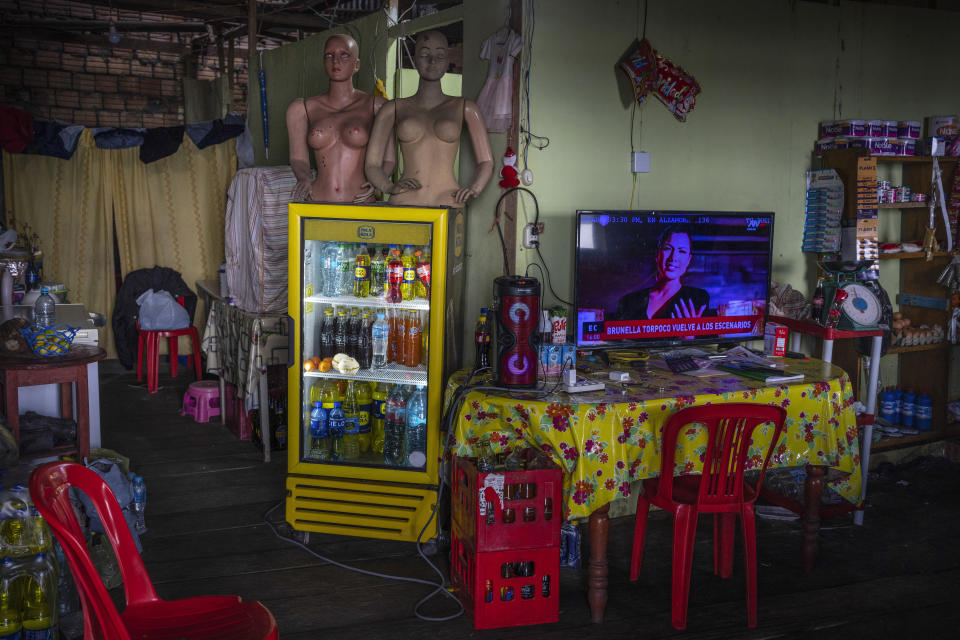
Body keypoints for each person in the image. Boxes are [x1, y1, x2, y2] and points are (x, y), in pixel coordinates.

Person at [365, 30, 494, 208]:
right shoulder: (392, 108)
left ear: (448, 60)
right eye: (425, 54)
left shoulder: (465, 107)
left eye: (440, 56)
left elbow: (486, 161)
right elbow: (372, 164)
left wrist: (475, 188)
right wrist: (388, 187)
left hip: (448, 200)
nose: (432, 61)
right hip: (405, 201)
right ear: (415, 58)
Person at [286, 34, 390, 203]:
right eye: (329, 55)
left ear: (357, 64)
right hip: (317, 200)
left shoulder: (377, 106)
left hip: (360, 201)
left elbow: (389, 158)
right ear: (323, 62)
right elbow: (298, 158)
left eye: (344, 55)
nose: (336, 61)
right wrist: (303, 178)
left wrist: (379, 181)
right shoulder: (302, 109)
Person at [613, 227, 710, 320]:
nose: (673, 257)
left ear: (688, 259)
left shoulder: (697, 298)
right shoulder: (628, 301)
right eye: (667, 248)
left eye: (682, 251)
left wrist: (690, 337)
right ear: (657, 254)